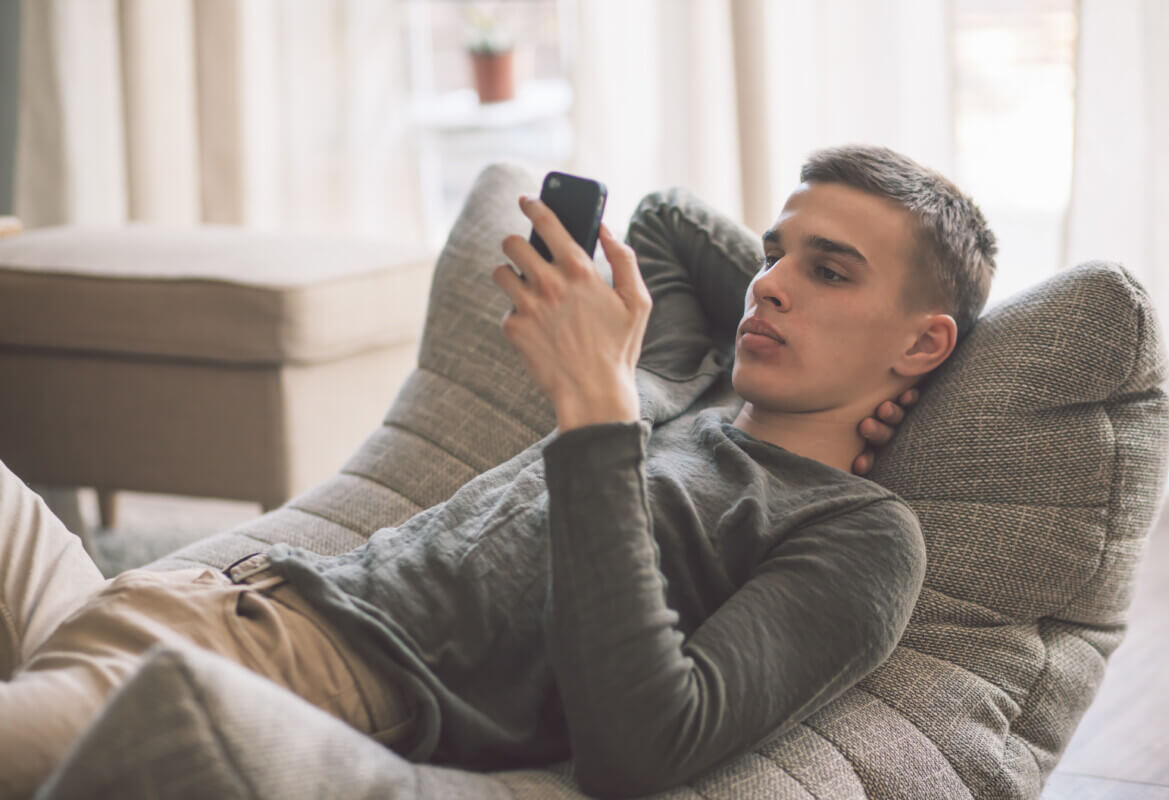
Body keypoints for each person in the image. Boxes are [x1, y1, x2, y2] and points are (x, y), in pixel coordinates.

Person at [0, 145, 996, 799]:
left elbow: (645, 744)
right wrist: (824, 353)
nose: (771, 283)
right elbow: (670, 222)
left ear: (925, 341)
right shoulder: (682, 388)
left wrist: (599, 412)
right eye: (776, 255)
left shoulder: (859, 532)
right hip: (196, 596)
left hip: (287, 679)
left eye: (828, 269)